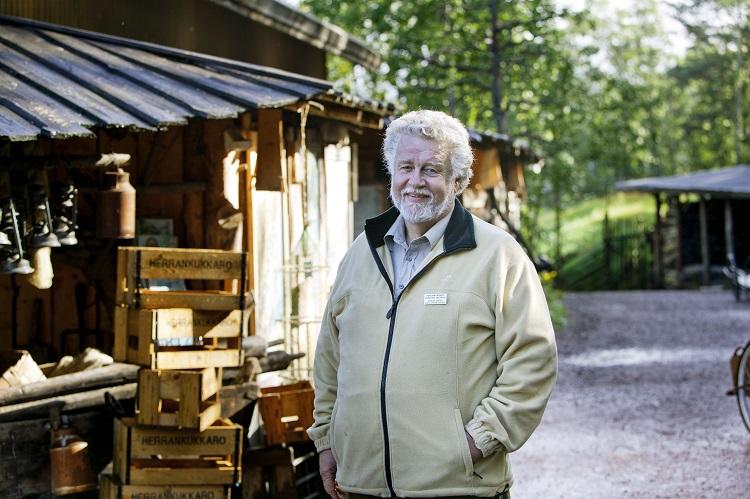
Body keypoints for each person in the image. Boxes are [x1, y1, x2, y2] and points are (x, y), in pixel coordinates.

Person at [308, 110, 557, 498]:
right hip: (360, 484)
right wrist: (327, 439)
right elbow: (330, 357)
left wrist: (477, 441)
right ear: (392, 173)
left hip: (455, 487)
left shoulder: (498, 255)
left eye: (431, 170)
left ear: (457, 181)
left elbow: (533, 359)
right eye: (406, 167)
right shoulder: (361, 252)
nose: (415, 182)